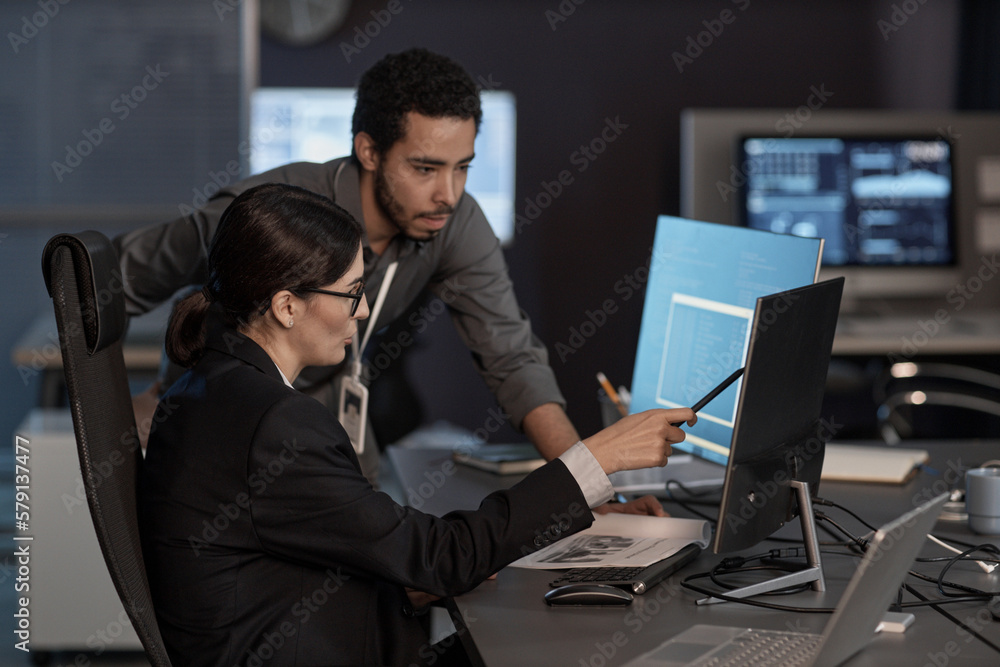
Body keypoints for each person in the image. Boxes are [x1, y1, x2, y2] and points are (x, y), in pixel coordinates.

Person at [140, 182, 696, 666]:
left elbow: (292, 565)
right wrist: (597, 459)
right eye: (352, 293)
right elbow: (441, 557)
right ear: (287, 306)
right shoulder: (276, 425)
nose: (361, 312)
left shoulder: (207, 385)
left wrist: (418, 578)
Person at [115, 48, 649, 507]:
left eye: (462, 166)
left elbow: (512, 358)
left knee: (382, 575)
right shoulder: (273, 212)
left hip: (327, 412)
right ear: (369, 151)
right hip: (224, 417)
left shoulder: (453, 222)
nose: (450, 193)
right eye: (425, 168)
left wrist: (593, 494)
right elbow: (117, 276)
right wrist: (122, 407)